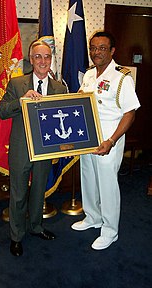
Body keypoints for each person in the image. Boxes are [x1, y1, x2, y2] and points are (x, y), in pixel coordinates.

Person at [71, 31, 140, 250]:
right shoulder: (90, 75)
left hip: (109, 139)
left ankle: (110, 230)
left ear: (112, 51)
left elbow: (130, 113)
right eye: (93, 48)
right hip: (87, 138)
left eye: (102, 48)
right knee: (88, 178)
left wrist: (111, 140)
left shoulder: (122, 77)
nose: (96, 52)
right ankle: (93, 217)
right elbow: (81, 103)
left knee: (108, 185)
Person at [0, 40, 67, 256]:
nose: (43, 61)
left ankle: (36, 227)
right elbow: (2, 111)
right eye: (38, 56)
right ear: (31, 58)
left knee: (39, 191)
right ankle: (16, 236)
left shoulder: (59, 87)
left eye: (47, 57)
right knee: (18, 194)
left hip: (46, 148)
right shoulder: (17, 84)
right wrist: (22, 100)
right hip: (21, 148)